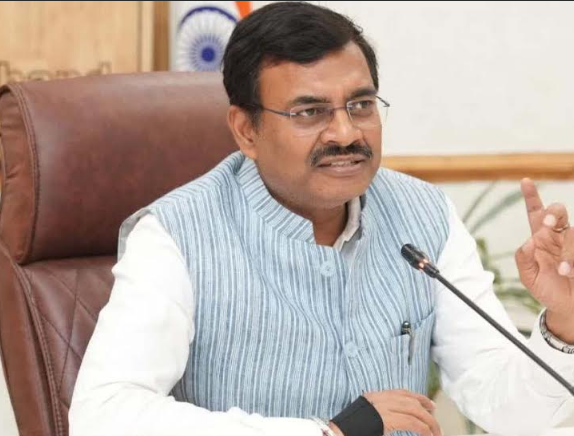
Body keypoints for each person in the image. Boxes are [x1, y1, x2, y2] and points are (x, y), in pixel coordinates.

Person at [69, 2, 574, 436]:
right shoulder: (177, 234)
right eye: (309, 112)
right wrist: (328, 432)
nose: (345, 133)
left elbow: (511, 410)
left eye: (361, 105)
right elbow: (104, 415)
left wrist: (564, 321)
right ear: (246, 131)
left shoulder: (424, 213)